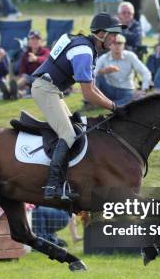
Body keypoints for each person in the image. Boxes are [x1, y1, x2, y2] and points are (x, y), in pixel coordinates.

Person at [31, 13, 122, 201]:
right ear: (101, 33)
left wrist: (114, 106)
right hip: (46, 89)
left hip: (51, 90)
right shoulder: (84, 51)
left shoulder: (88, 48)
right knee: (68, 134)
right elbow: (88, 94)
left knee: (76, 130)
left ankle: (63, 181)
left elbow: (94, 88)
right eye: (113, 34)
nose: (116, 39)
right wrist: (114, 107)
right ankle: (52, 186)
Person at [94, 34, 151, 105]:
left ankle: (106, 104)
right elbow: (92, 73)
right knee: (98, 77)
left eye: (119, 43)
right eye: (114, 43)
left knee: (133, 96)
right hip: (109, 89)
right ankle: (97, 101)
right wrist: (104, 71)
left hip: (126, 90)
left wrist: (144, 89)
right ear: (109, 45)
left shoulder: (130, 56)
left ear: (123, 45)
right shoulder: (104, 58)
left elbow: (146, 73)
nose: (117, 46)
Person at [16, 30, 50, 97]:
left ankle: (19, 93)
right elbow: (22, 71)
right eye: (32, 39)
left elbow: (47, 61)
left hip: (42, 79)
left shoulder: (46, 51)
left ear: (41, 41)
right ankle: (11, 90)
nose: (35, 41)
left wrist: (36, 59)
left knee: (36, 83)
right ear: (29, 42)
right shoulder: (25, 54)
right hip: (30, 79)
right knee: (24, 77)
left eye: (37, 39)